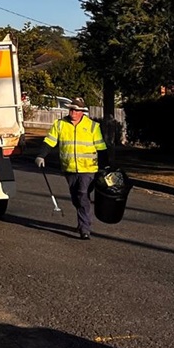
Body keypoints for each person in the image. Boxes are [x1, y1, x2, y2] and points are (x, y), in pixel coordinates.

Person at [35, 97, 108, 240]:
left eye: (75, 110)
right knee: (76, 197)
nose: (72, 112)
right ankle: (82, 221)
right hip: (69, 168)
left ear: (82, 112)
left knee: (82, 195)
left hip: (88, 169)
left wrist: (105, 167)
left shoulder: (93, 126)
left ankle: (85, 228)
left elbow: (101, 148)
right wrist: (41, 156)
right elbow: (50, 141)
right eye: (71, 109)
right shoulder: (60, 124)